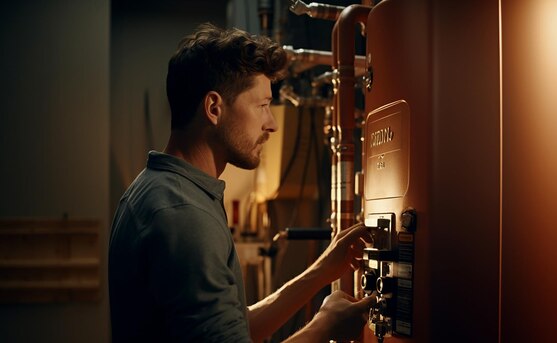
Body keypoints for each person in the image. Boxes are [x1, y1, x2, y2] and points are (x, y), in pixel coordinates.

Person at [108, 22, 374, 342]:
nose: (271, 123)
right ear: (214, 108)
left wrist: (322, 271)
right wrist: (326, 327)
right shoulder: (183, 214)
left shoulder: (167, 190)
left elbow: (229, 328)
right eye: (262, 105)